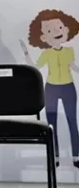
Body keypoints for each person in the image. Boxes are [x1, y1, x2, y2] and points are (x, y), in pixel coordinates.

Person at [21, 9, 79, 169]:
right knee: (51, 125)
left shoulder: (69, 51)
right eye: (49, 31)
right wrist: (26, 53)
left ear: (66, 30)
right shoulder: (47, 53)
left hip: (68, 88)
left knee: (72, 121)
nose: (56, 33)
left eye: (59, 28)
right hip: (51, 88)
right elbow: (36, 66)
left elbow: (73, 66)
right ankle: (55, 156)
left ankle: (76, 156)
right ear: (43, 37)